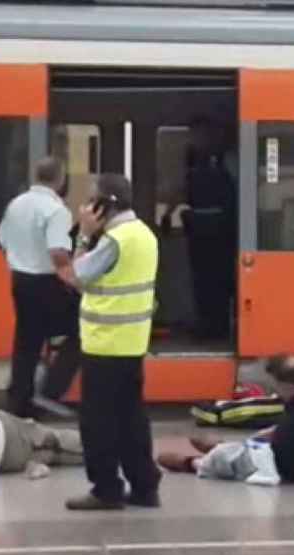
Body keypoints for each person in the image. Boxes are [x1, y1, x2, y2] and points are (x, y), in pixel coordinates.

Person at [63, 174, 163, 511]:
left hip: (104, 345)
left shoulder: (114, 240)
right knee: (132, 418)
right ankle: (145, 487)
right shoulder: (145, 235)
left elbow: (77, 276)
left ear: (106, 205)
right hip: (132, 343)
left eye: (90, 202)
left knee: (98, 422)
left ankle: (106, 488)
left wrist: (83, 236)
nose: (85, 208)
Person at [157, 355, 294, 494]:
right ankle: (223, 446)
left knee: (224, 458)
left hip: (281, 465)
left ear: (286, 384)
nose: (273, 389)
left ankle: (192, 462)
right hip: (287, 451)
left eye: (274, 384)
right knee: (244, 445)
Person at [0, 156, 81, 418]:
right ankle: (50, 391)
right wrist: (77, 284)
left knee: (26, 341)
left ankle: (18, 402)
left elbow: (3, 242)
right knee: (84, 327)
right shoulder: (56, 210)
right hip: (47, 283)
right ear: (61, 178)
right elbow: (58, 253)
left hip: (20, 281)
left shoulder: (16, 204)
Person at [178, 117, 237, 341]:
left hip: (220, 232)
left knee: (216, 281)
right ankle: (206, 323)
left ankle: (216, 327)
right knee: (201, 281)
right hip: (200, 231)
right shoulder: (194, 161)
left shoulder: (228, 161)